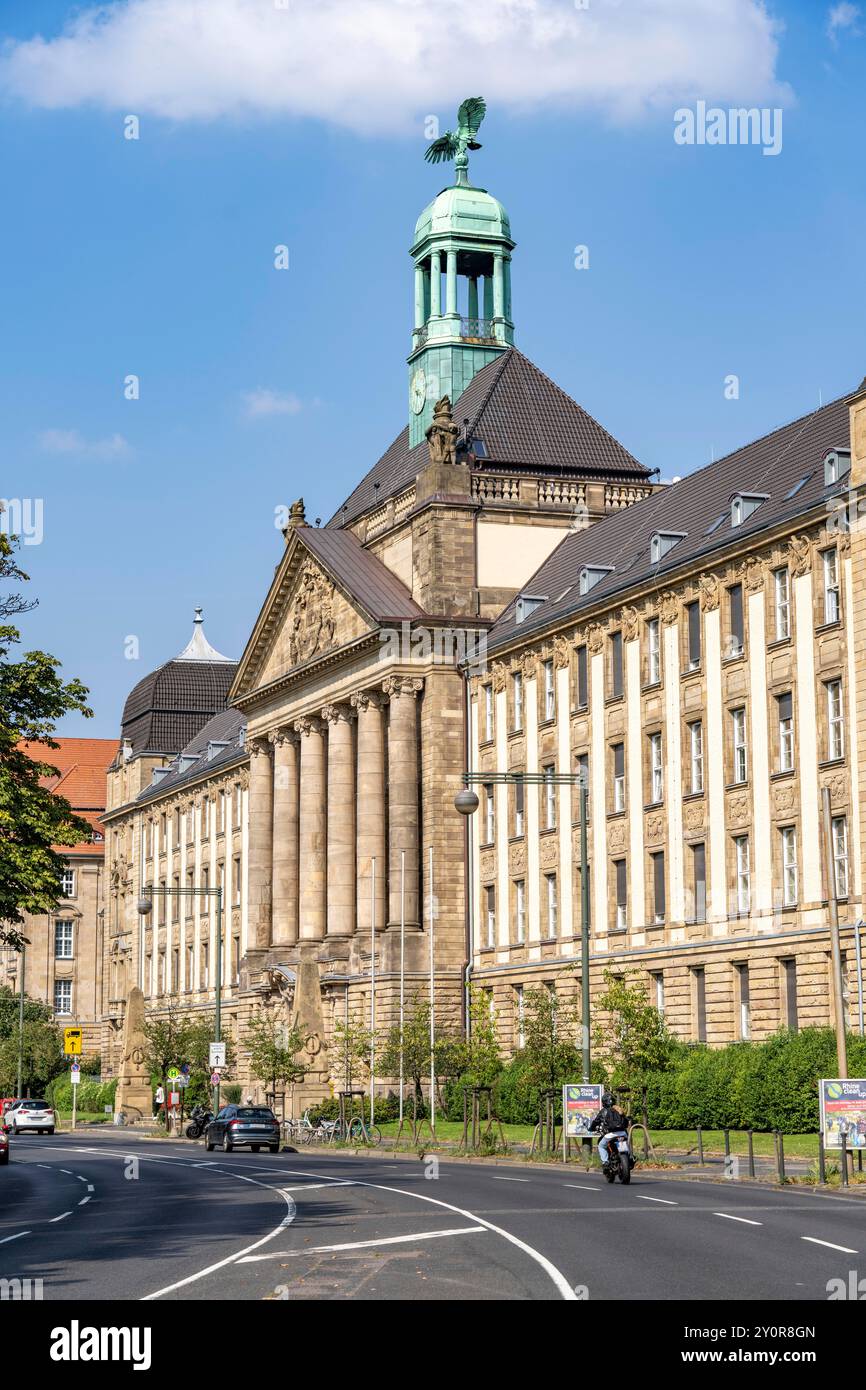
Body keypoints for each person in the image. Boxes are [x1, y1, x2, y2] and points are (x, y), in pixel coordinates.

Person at [588, 1092, 632, 1171]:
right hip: (622, 1133)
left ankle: (605, 1162)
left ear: (604, 1102)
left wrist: (591, 1128)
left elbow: (596, 1121)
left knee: (601, 1146)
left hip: (610, 1134)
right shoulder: (619, 1109)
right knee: (625, 1145)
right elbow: (626, 1121)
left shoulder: (604, 1111)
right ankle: (630, 1158)